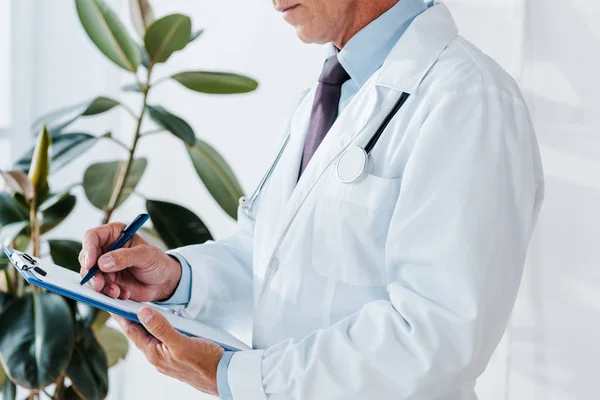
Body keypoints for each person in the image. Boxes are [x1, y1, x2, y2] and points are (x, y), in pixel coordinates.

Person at [79, 0, 545, 398]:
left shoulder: (469, 98)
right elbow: (275, 255)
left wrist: (234, 376)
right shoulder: (326, 95)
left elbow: (435, 337)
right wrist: (174, 279)